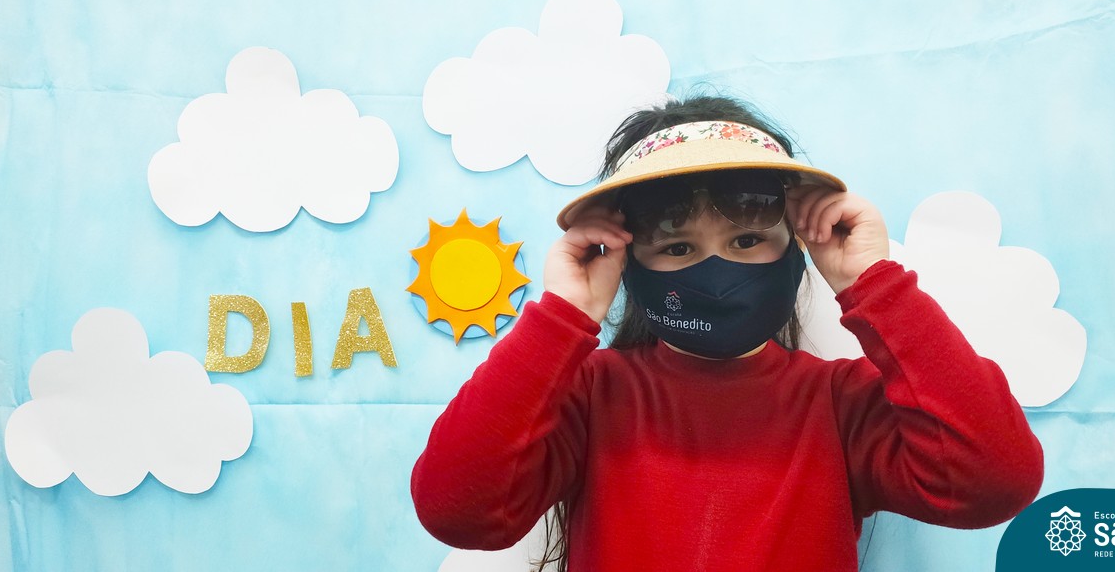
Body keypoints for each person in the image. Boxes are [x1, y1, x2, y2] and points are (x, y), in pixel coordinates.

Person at [411, 94, 1045, 571]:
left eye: (747, 240)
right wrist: (564, 315)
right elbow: (458, 508)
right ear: (629, 262)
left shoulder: (841, 404)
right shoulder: (589, 396)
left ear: (796, 246)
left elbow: (995, 480)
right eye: (677, 247)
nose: (717, 271)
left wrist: (873, 283)